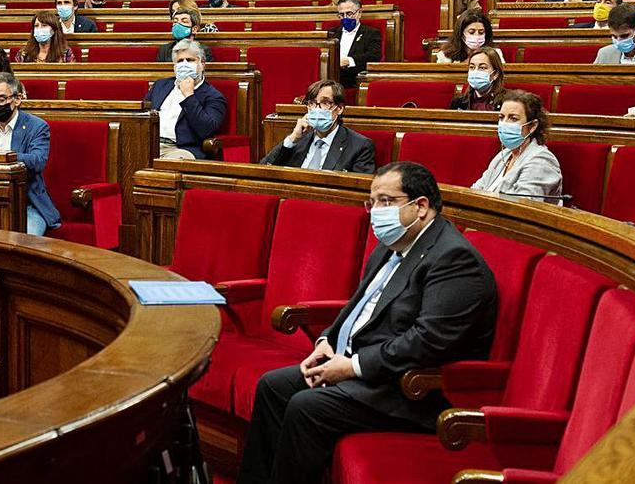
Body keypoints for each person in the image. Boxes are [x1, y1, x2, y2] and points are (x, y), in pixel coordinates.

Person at [238, 161, 497, 484]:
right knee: (273, 387)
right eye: (372, 202)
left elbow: (427, 341)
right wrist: (326, 342)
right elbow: (358, 309)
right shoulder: (392, 246)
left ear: (420, 207)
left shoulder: (454, 259)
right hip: (367, 369)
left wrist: (352, 367)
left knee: (307, 406)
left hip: (408, 390)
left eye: (386, 202)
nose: (376, 211)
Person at [0, 72, 61, 236]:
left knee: (26, 245)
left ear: (17, 99)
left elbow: (37, 161)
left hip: (27, 203)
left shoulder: (37, 127)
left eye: (1, 99)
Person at [261, 80, 374, 173]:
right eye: (312, 103)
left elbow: (359, 189)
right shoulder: (299, 139)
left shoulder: (360, 146)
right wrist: (293, 138)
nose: (317, 109)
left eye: (325, 102)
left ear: (339, 109)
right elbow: (264, 169)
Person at [472, 90, 563, 201]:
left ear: (533, 126)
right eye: (501, 117)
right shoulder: (504, 155)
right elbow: (475, 191)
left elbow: (522, 208)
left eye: (513, 118)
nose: (504, 123)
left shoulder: (542, 160)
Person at [144, 39, 227, 160]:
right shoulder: (160, 85)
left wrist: (189, 96)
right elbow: (143, 114)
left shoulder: (213, 96)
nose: (184, 64)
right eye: (180, 61)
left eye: (190, 60)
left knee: (171, 164)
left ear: (202, 64)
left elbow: (206, 129)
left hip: (180, 149)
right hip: (150, 143)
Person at [328, 0, 382, 88]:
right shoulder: (331, 33)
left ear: (359, 13)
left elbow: (374, 56)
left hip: (354, 81)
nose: (345, 18)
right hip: (331, 80)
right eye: (341, 15)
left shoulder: (371, 33)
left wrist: (349, 61)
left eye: (349, 14)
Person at [450, 47, 506, 111]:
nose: (475, 71)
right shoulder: (458, 102)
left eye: (482, 68)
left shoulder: (507, 102)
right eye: (472, 67)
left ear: (495, 74)